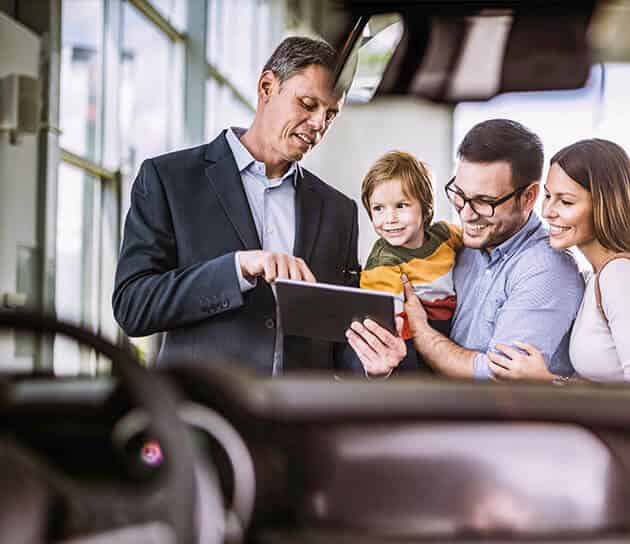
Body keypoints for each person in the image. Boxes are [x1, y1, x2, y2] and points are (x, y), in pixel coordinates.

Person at [113, 36, 402, 375]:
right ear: (267, 87)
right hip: (203, 416)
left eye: (331, 114)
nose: (319, 125)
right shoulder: (169, 180)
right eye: (308, 105)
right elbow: (133, 307)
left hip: (300, 421)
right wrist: (237, 268)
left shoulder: (339, 210)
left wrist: (372, 363)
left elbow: (339, 339)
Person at [349, 119, 584, 380]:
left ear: (528, 197)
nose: (467, 214)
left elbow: (497, 379)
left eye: (484, 202)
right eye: (459, 195)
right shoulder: (461, 244)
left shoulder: (545, 270)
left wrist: (421, 331)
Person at [485, 138, 630, 384]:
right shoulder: (598, 275)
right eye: (548, 196)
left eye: (566, 201)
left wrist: (547, 382)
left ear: (604, 205)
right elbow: (610, 384)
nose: (548, 211)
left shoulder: (620, 276)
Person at [359, 150, 463, 371]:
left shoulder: (445, 235)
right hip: (409, 341)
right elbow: (390, 328)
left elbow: (476, 243)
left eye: (401, 206)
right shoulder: (383, 264)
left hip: (452, 328)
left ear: (426, 207)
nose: (390, 219)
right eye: (378, 209)